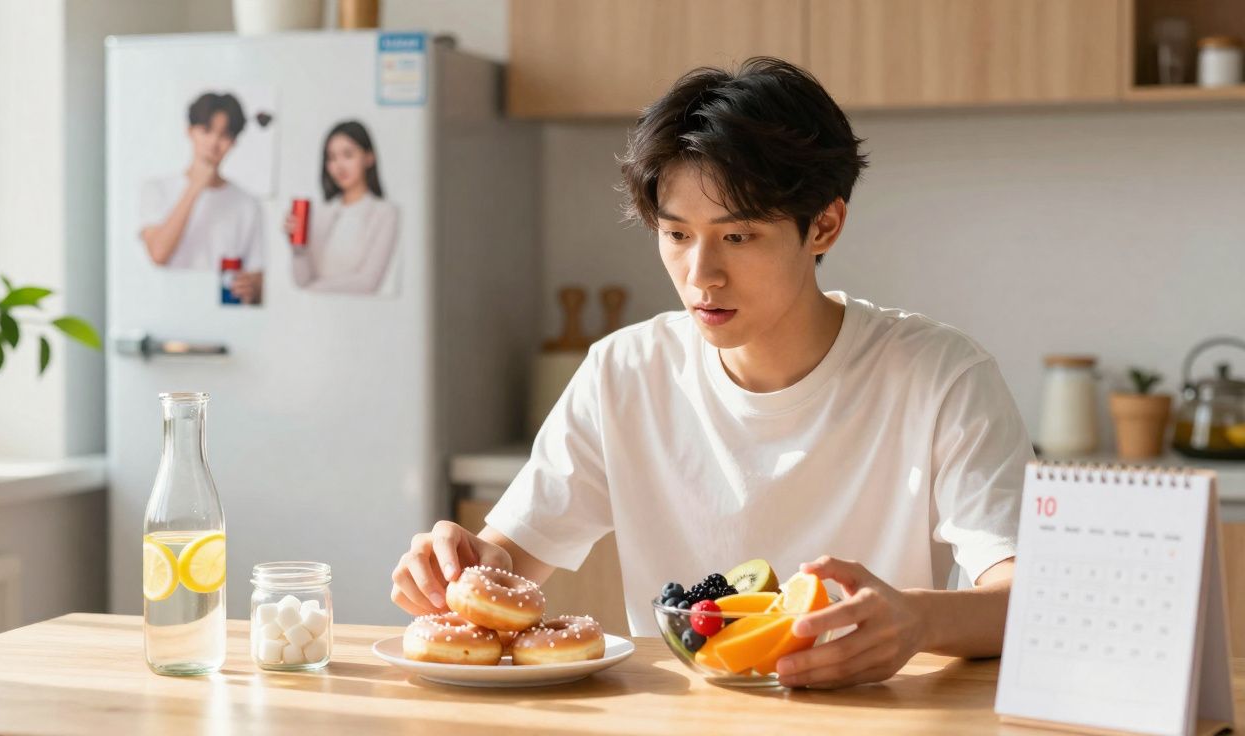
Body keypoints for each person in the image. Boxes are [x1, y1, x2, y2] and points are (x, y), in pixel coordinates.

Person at [390, 58, 1034, 689]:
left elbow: (1029, 595)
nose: (701, 275)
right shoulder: (624, 373)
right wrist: (460, 564)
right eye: (676, 235)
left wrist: (919, 621)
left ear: (825, 225)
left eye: (738, 237)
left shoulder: (942, 376)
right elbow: (510, 558)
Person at [140, 91, 265, 304]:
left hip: (224, 313)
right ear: (190, 131)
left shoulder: (248, 204)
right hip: (168, 308)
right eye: (206, 131)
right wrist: (195, 187)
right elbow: (158, 254)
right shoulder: (157, 189)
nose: (214, 143)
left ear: (233, 142)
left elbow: (257, 275)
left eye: (224, 135)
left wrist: (251, 286)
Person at [287, 121, 398, 294]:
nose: (339, 166)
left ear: (369, 157)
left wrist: (312, 290)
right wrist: (298, 249)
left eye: (348, 155)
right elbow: (302, 281)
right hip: (317, 307)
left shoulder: (384, 213)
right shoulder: (321, 213)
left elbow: (368, 283)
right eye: (332, 158)